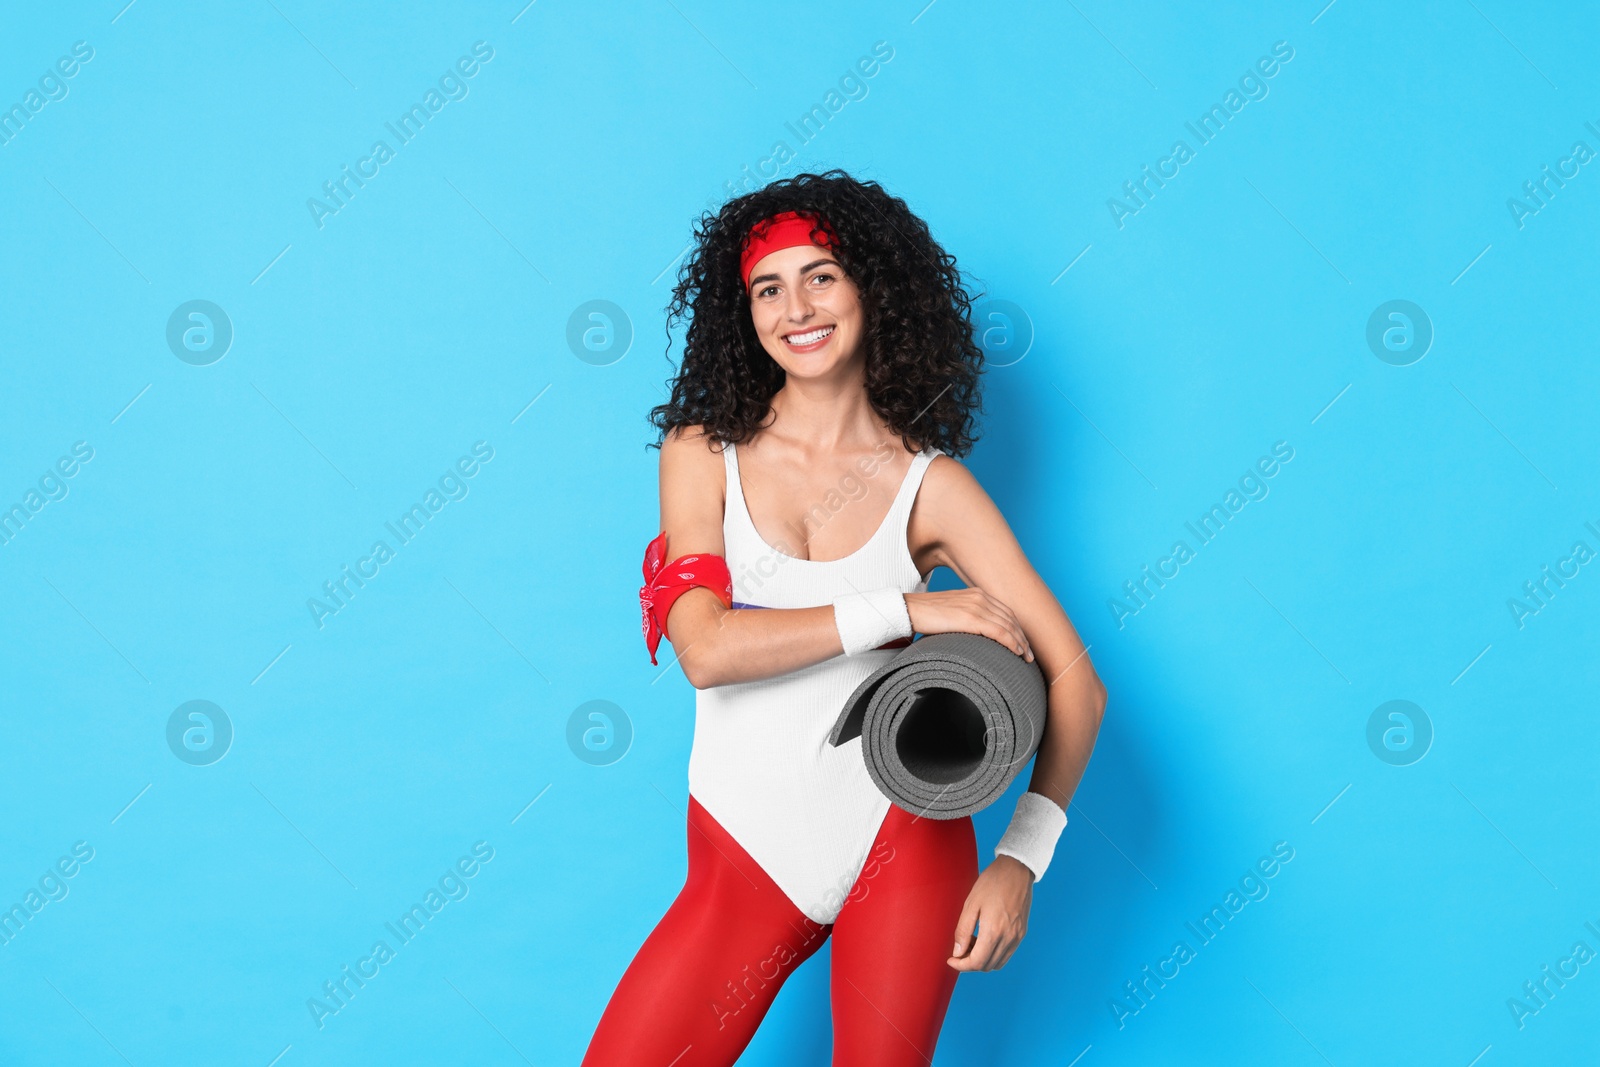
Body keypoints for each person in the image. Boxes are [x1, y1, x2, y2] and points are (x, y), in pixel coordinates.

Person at [583, 170, 1107, 1066]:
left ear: (873, 287)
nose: (797, 307)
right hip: (744, 853)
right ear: (742, 312)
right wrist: (904, 606)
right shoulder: (702, 452)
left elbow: (1076, 680)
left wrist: (1021, 858)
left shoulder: (930, 486)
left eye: (821, 275)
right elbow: (705, 649)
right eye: (768, 287)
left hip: (905, 844)